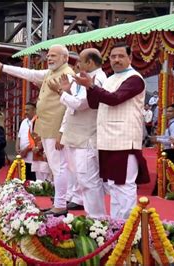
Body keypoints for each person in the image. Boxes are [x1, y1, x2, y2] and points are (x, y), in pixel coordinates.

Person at [0, 44, 75, 216]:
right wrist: (2, 67)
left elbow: (72, 106)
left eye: (54, 56)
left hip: (56, 128)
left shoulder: (67, 75)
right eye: (49, 55)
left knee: (59, 167)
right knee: (55, 166)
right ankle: (59, 203)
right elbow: (29, 74)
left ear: (65, 58)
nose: (49, 58)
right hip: (47, 126)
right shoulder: (51, 73)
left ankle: (60, 205)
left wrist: (62, 131)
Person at [73, 42, 150, 220]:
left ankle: (127, 229)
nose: (116, 60)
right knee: (114, 186)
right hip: (107, 139)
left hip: (124, 140)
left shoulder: (134, 79)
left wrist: (92, 86)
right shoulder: (109, 78)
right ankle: (116, 226)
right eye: (113, 56)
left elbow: (115, 99)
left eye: (121, 56)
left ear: (130, 58)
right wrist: (88, 87)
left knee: (124, 186)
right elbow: (94, 104)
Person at [49, 48, 108, 218]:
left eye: (80, 61)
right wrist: (67, 91)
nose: (77, 65)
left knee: (88, 181)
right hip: (76, 136)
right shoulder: (82, 79)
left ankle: (97, 219)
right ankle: (93, 218)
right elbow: (72, 106)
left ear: (90, 62)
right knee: (82, 181)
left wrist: (61, 92)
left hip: (87, 137)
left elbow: (81, 104)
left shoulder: (98, 79)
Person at [16, 103, 38, 181]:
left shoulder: (37, 122)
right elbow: (19, 136)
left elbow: (36, 140)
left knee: (32, 181)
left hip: (33, 157)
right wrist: (17, 147)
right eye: (25, 110)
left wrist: (26, 150)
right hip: (23, 157)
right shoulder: (24, 122)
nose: (25, 112)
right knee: (24, 180)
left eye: (28, 110)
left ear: (34, 110)